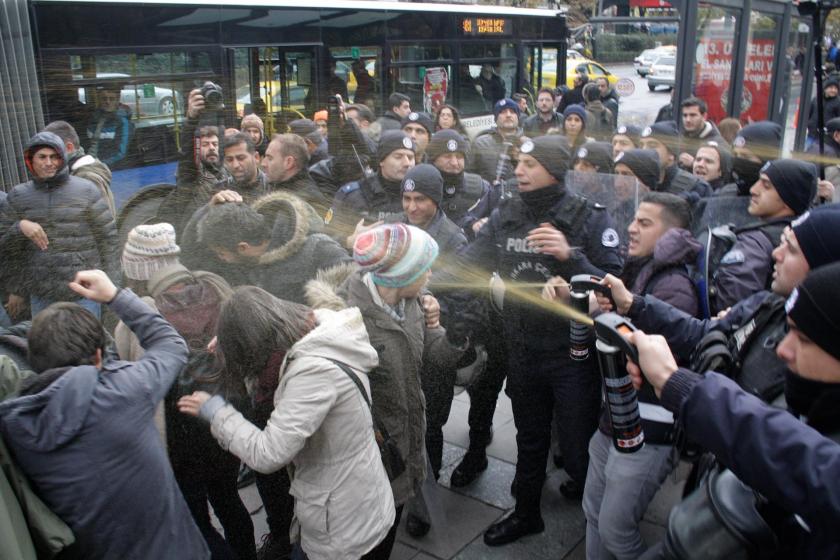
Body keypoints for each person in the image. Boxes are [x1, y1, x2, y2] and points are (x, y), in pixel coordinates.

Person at [457, 135, 623, 545]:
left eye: (529, 164)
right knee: (529, 437)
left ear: (553, 168)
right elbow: (469, 261)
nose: (518, 171)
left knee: (579, 447)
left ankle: (599, 524)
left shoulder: (589, 217)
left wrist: (570, 257)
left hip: (573, 354)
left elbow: (615, 285)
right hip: (522, 347)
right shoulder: (507, 211)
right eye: (517, 163)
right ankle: (527, 513)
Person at [623, 260, 840, 558]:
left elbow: (809, 465)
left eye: (803, 339)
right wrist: (664, 377)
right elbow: (706, 335)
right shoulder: (768, 308)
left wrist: (679, 385)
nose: (783, 350)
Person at [0, 269, 209, 559]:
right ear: (100, 356)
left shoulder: (14, 427)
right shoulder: (125, 390)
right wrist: (115, 295)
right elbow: (170, 345)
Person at [178, 286, 395, 559]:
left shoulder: (312, 373)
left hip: (344, 525)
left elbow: (268, 453)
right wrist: (234, 340)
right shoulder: (317, 328)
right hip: (355, 496)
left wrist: (216, 412)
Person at [304, 223, 464, 559]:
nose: (431, 275)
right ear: (400, 276)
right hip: (372, 456)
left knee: (393, 519)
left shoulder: (411, 303)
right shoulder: (346, 321)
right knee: (375, 537)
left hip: (409, 436)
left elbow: (428, 352)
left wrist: (454, 339)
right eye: (424, 269)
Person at [596, 204, 840, 405]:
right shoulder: (767, 304)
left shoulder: (823, 353)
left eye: (793, 250)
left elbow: (769, 433)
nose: (777, 253)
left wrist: (673, 380)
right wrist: (632, 304)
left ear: (824, 265)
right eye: (783, 242)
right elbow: (702, 332)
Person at [115, 224, 256, 560]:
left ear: (138, 269)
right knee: (228, 499)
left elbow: (131, 383)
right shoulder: (215, 288)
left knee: (194, 517)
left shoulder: (139, 314)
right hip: (221, 418)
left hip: (176, 437)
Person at [577, 193, 701, 560]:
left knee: (616, 530)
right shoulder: (640, 269)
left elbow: (658, 359)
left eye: (645, 223)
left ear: (672, 235)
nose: (631, 228)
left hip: (647, 429)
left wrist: (607, 320)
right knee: (593, 510)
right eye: (633, 219)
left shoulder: (674, 286)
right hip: (616, 417)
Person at [0, 131, 119, 319]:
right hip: (41, 295)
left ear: (63, 158)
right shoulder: (18, 196)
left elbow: (109, 240)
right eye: (42, 157)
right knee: (49, 347)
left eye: (54, 157)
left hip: (84, 292)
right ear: (31, 160)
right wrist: (20, 227)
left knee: (87, 345)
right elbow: (7, 250)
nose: (49, 163)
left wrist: (112, 287)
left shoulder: (86, 190)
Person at [710, 159, 816, 314]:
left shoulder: (756, 242)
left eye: (766, 186)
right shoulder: (800, 235)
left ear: (788, 198)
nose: (753, 189)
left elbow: (728, 301)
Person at [327, 130, 417, 248]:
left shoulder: (421, 194)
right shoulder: (352, 195)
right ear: (381, 161)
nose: (407, 163)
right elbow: (327, 238)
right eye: (398, 157)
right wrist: (349, 241)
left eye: (410, 157)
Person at [44, 120, 116, 218]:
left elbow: (103, 224)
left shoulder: (88, 178)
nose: (47, 162)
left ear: (69, 148)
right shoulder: (71, 173)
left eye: (52, 153)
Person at [425, 129, 493, 231]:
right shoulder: (422, 186)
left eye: (459, 157)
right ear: (433, 159)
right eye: (447, 156)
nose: (454, 162)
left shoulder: (481, 187)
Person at [639, 121, 712, 202]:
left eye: (652, 145)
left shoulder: (697, 188)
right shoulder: (637, 183)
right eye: (641, 145)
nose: (644, 150)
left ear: (671, 154)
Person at [262, 133, 329, 213]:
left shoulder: (305, 202)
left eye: (270, 158)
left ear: (288, 162)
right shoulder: (275, 185)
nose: (263, 163)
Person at [469, 98, 523, 183]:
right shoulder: (480, 144)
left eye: (512, 112)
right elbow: (470, 175)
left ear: (518, 117)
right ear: (496, 118)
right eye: (503, 112)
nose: (508, 115)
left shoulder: (528, 144)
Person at [86, 84, 132, 168]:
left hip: (110, 167)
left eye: (111, 99)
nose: (107, 102)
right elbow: (85, 143)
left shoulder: (122, 122)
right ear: (100, 100)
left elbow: (120, 153)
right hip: (88, 164)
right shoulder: (93, 118)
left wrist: (99, 165)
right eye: (104, 99)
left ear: (117, 101)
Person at [220, 132, 270, 202]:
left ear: (256, 157)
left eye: (241, 158)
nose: (235, 165)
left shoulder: (274, 187)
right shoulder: (220, 190)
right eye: (229, 160)